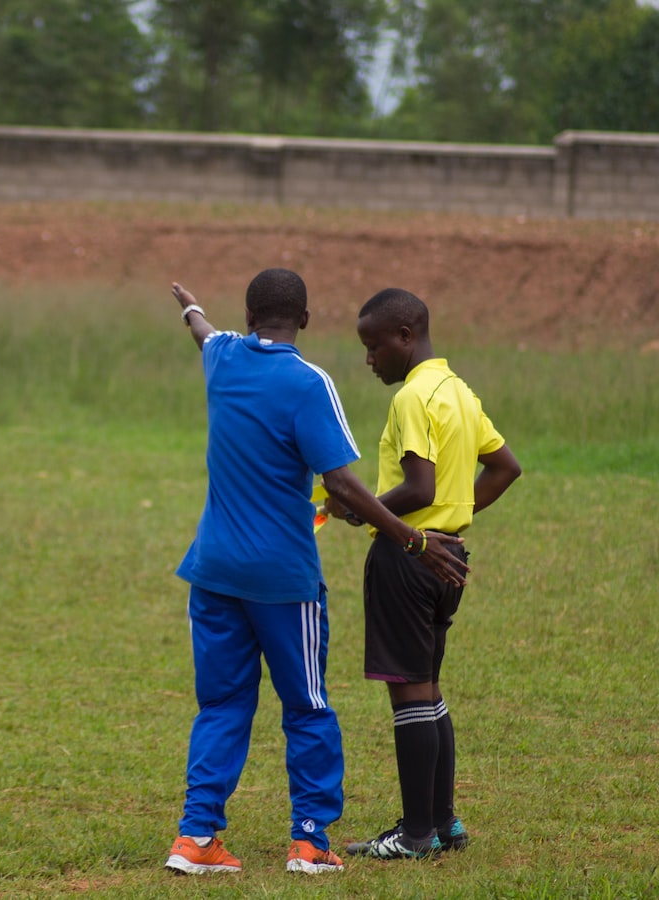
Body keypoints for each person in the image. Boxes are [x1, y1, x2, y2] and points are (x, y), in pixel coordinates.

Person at [163, 269, 469, 877]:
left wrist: (191, 308)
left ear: (249, 318)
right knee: (305, 704)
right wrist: (412, 539)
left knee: (221, 703)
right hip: (283, 579)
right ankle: (309, 841)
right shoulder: (310, 382)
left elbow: (203, 333)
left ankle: (196, 837)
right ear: (304, 320)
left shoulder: (223, 357)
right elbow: (341, 482)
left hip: (214, 568)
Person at [326, 287, 522, 860]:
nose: (368, 360)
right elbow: (505, 467)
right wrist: (452, 522)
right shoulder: (459, 391)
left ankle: (414, 837)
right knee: (429, 691)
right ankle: (443, 823)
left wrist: (360, 508)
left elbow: (419, 488)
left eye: (373, 346)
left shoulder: (413, 397)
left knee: (409, 692)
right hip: (448, 555)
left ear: (405, 337)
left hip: (408, 556)